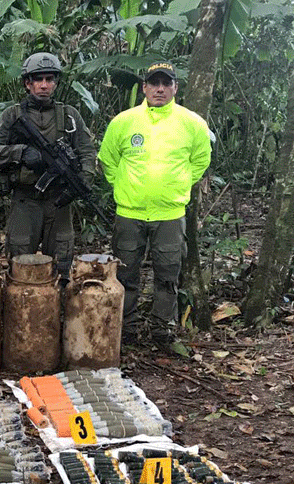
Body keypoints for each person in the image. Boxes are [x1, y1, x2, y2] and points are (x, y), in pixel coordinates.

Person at [98, 61, 211, 347]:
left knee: (167, 276)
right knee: (125, 274)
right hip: (129, 212)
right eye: (154, 83)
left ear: (175, 87)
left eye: (166, 83)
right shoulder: (124, 121)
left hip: (170, 214)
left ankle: (162, 329)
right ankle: (128, 329)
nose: (160, 89)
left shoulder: (192, 123)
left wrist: (179, 185)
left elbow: (200, 161)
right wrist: (123, 186)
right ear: (144, 87)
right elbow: (108, 160)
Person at [0, 52, 96, 281]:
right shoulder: (12, 115)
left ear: (55, 82)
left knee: (61, 266)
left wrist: (83, 179)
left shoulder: (69, 116)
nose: (44, 85)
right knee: (20, 264)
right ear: (28, 83)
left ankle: (56, 310)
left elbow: (87, 151)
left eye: (49, 79)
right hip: (25, 201)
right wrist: (20, 152)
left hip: (59, 201)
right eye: (38, 79)